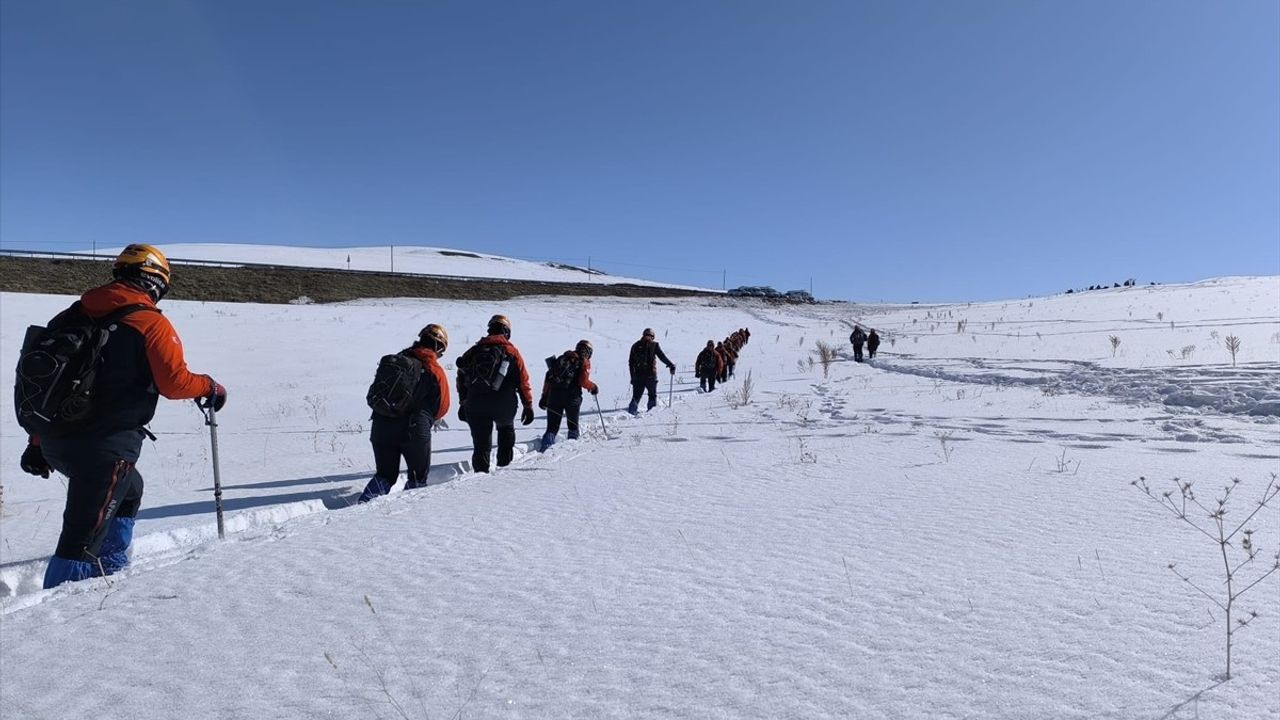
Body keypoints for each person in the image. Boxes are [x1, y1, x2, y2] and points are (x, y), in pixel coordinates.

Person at [17, 244, 226, 589]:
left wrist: (37, 442)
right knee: (80, 541)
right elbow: (174, 383)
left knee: (129, 492)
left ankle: (112, 574)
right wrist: (210, 386)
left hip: (56, 441)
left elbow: (48, 384)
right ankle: (56, 610)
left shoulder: (72, 315)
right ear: (157, 282)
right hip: (105, 450)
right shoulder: (149, 322)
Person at [358, 324, 451, 502]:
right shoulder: (433, 368)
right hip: (414, 431)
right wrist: (433, 417)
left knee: (385, 475)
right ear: (439, 347)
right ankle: (408, 514)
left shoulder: (396, 361)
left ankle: (362, 506)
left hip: (381, 426)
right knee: (417, 477)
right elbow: (443, 406)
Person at [456, 314, 535, 472]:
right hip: (504, 405)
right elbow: (523, 381)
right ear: (507, 332)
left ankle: (480, 476)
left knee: (481, 445)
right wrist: (528, 405)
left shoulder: (473, 351)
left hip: (476, 404)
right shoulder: (512, 352)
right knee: (506, 431)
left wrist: (463, 402)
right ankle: (503, 471)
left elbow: (461, 378)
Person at [537, 339, 599, 451]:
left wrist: (544, 396)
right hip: (572, 398)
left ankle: (544, 450)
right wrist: (593, 387)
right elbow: (583, 381)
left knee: (551, 428)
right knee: (573, 427)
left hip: (554, 396)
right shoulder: (584, 361)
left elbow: (549, 377)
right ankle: (570, 452)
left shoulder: (563, 358)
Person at [627, 327, 675, 414]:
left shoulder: (635, 346)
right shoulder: (654, 345)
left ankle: (631, 413)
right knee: (652, 396)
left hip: (639, 376)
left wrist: (633, 377)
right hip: (650, 376)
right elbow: (662, 357)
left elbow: (631, 363)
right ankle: (651, 414)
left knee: (636, 396)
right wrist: (670, 364)